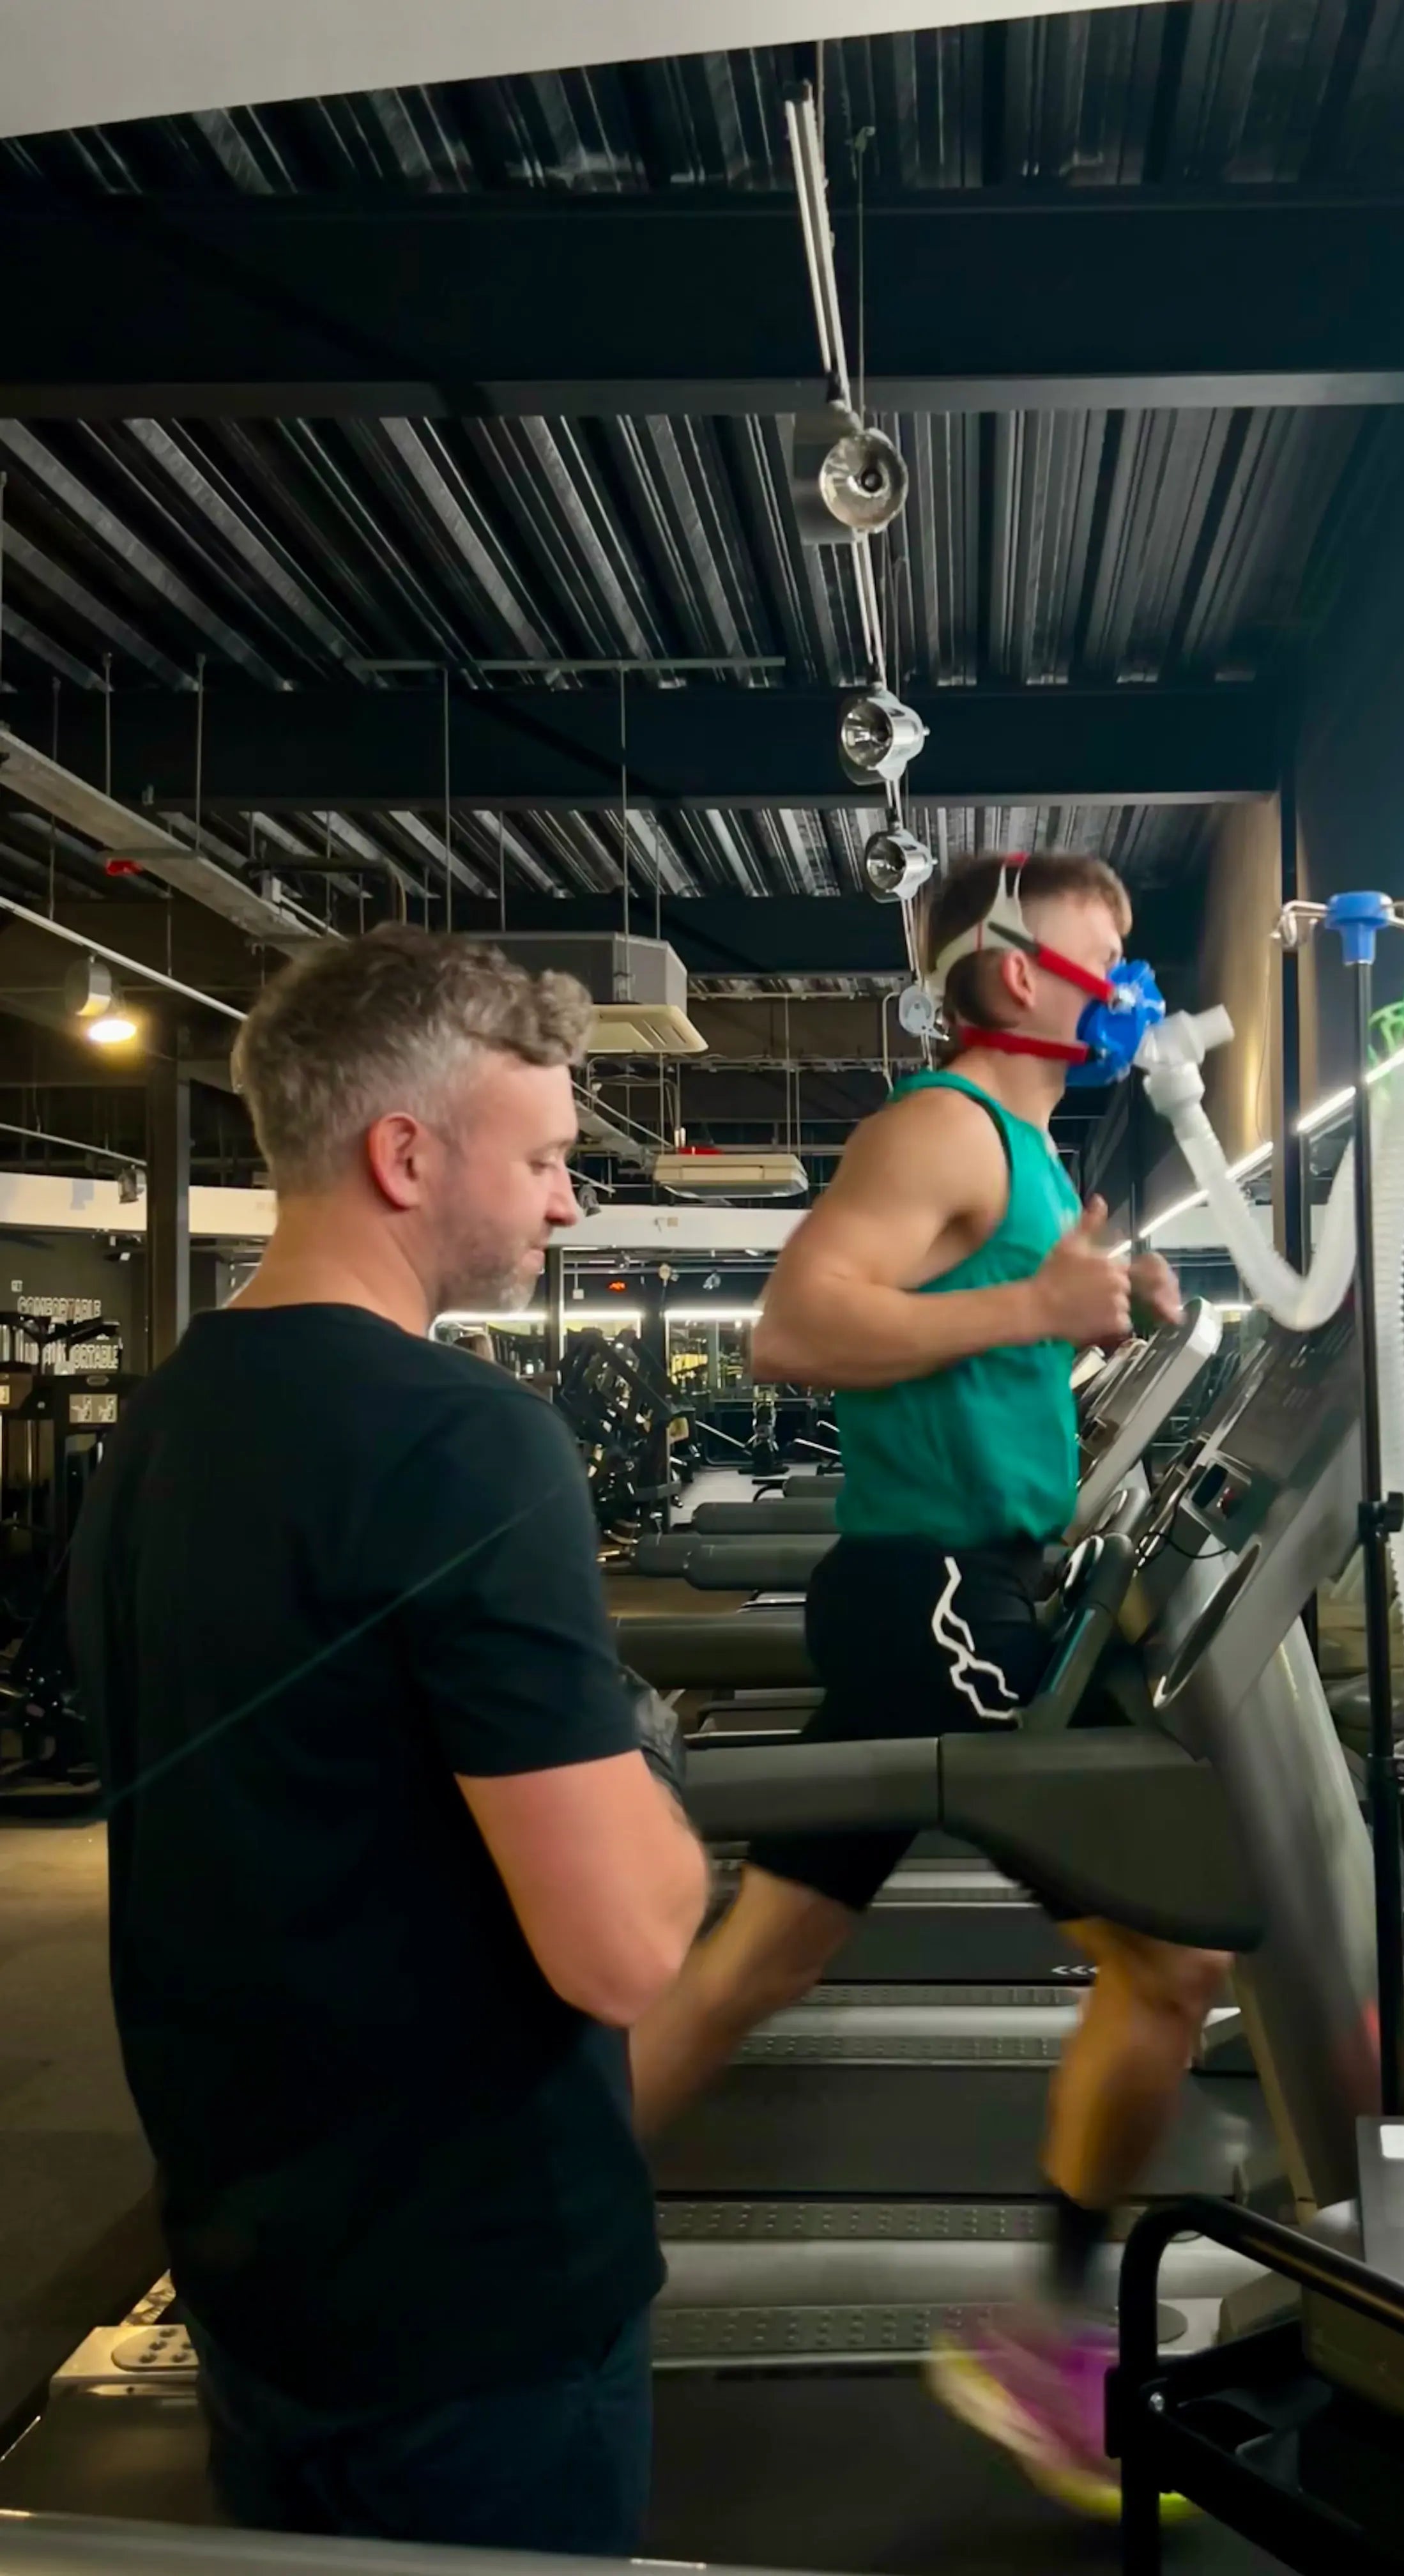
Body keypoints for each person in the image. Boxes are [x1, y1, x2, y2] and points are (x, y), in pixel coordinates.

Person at [70, 928, 709, 2557]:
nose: (572, 1204)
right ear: (406, 1153)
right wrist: (654, 1780)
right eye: (553, 1158)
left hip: (262, 2265)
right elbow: (627, 1950)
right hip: (475, 2299)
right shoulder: (468, 1438)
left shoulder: (166, 1421)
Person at [627, 852, 1230, 2517]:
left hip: (950, 1588)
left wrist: (1096, 1322)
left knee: (755, 1965)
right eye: (1113, 961)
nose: (1139, 995)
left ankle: (504, 2231)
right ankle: (1045, 2332)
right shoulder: (944, 1128)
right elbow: (797, 1329)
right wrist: (1040, 1301)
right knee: (1172, 1963)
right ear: (1014, 976)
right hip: (945, 1601)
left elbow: (970, 1337)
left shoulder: (1026, 1153)